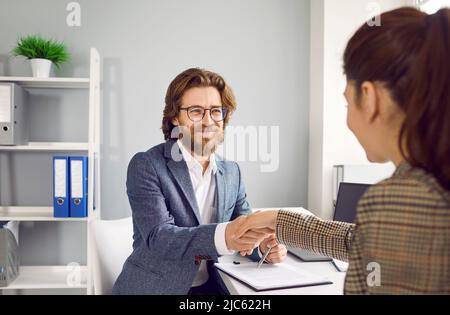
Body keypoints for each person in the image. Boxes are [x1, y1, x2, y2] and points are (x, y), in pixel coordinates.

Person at [234, 7, 450, 295]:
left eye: (347, 103)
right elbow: (357, 240)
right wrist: (278, 220)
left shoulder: (398, 199)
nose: (348, 120)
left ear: (370, 98)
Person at [112, 68, 286, 295]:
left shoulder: (232, 172)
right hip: (155, 287)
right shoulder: (147, 164)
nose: (208, 121)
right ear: (175, 117)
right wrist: (227, 235)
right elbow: (160, 237)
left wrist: (261, 246)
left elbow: (243, 227)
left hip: (212, 286)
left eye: (216, 111)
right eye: (196, 111)